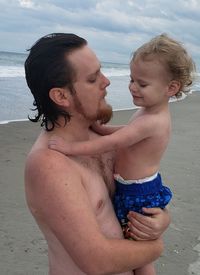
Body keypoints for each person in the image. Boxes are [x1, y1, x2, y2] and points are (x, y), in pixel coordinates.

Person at [48, 33, 196, 275]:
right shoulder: (148, 113)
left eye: (142, 84)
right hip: (137, 186)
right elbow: (127, 133)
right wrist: (101, 128)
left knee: (141, 254)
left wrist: (70, 148)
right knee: (136, 247)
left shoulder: (153, 120)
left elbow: (116, 141)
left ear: (171, 88)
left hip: (137, 190)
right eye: (132, 80)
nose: (132, 87)